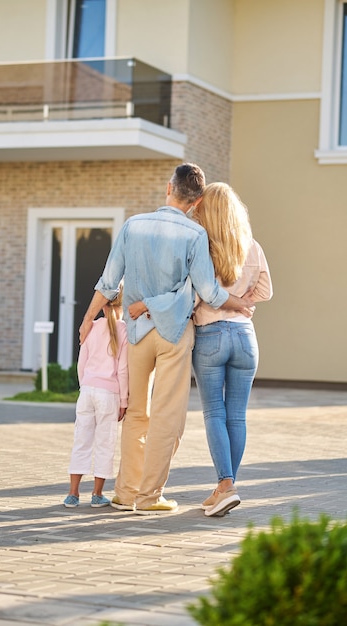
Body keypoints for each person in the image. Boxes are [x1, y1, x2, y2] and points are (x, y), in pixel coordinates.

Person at [79, 163, 254, 515]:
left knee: (136, 413)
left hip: (137, 333)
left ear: (167, 189)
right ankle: (149, 497)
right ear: (197, 201)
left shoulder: (133, 225)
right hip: (174, 334)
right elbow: (209, 292)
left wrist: (88, 318)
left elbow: (109, 280)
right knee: (168, 417)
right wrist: (241, 303)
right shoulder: (195, 235)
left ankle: (126, 492)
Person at [191, 182, 273, 517]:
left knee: (215, 413)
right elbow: (266, 291)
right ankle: (225, 489)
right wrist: (244, 303)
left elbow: (199, 296)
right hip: (245, 337)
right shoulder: (251, 246)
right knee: (236, 415)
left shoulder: (202, 248)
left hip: (210, 335)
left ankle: (226, 486)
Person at [63, 286, 128, 508]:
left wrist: (85, 386)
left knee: (81, 440)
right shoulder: (124, 330)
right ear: (122, 305)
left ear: (103, 305)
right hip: (109, 394)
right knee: (104, 442)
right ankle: (97, 494)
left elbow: (82, 363)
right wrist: (124, 401)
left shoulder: (91, 327)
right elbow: (122, 370)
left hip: (87, 391)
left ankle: (73, 494)